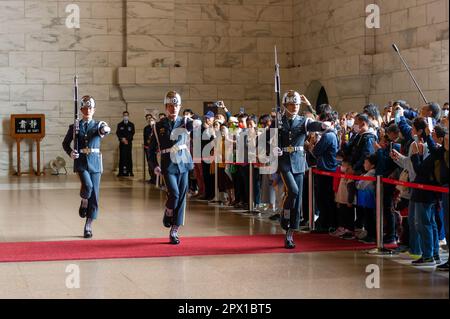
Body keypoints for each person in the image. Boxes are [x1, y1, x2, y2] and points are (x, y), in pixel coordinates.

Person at [273, 90, 328, 249]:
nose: (295, 107)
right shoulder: (279, 121)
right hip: (284, 162)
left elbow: (314, 124)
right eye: (292, 104)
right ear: (285, 105)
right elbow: (267, 138)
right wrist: (273, 148)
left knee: (297, 201)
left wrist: (323, 125)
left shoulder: (303, 121)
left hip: (298, 161)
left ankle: (290, 233)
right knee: (294, 191)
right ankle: (284, 213)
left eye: (297, 104)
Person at [148, 91, 194, 245]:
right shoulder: (158, 126)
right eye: (170, 106)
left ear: (180, 106)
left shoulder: (185, 121)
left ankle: (174, 230)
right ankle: (168, 210)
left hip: (184, 161)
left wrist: (195, 122)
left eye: (176, 105)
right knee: (174, 194)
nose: (173, 108)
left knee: (181, 197)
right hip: (168, 164)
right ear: (165, 107)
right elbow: (151, 149)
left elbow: (196, 123)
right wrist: (154, 165)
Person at [62, 96, 111, 238]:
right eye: (85, 108)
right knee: (88, 187)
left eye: (90, 108)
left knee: (94, 195)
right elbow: (65, 143)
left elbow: (104, 130)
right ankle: (84, 200)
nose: (87, 110)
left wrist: (105, 129)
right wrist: (71, 152)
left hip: (95, 162)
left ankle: (88, 225)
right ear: (81, 109)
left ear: (94, 110)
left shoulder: (98, 125)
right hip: (81, 162)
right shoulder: (75, 126)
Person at [116, 111, 135, 176]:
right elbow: (118, 133)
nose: (125, 116)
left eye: (126, 115)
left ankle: (130, 171)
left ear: (128, 116)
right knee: (122, 157)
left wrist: (127, 139)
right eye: (124, 115)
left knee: (129, 157)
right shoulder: (120, 124)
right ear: (123, 116)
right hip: (122, 144)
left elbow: (132, 133)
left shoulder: (131, 124)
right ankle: (121, 172)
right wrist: (122, 139)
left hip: (129, 143)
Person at [143, 114, 156, 184]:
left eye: (151, 120)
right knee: (149, 163)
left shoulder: (156, 127)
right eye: (148, 120)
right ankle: (152, 177)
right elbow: (145, 138)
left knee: (155, 163)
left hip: (155, 149)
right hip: (148, 148)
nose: (150, 121)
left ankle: (156, 178)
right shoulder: (146, 128)